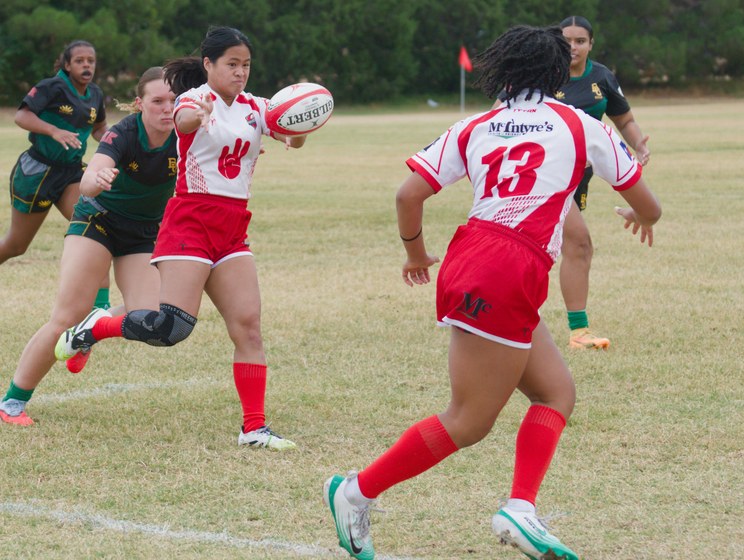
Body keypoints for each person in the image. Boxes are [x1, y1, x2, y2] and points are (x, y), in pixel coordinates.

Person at [323, 25, 661, 560]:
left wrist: (415, 253)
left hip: (477, 255)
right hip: (509, 266)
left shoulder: (474, 125)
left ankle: (522, 508)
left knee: (556, 393)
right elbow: (649, 204)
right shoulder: (578, 123)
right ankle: (356, 490)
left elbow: (407, 194)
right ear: (557, 74)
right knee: (469, 420)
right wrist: (640, 214)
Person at [55, 27, 307, 451]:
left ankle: (254, 428)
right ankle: (97, 326)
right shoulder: (192, 99)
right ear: (208, 65)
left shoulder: (256, 107)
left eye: (246, 65)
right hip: (189, 222)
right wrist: (200, 113)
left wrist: (302, 119)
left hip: (232, 229)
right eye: (231, 64)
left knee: (248, 327)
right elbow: (184, 120)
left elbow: (293, 139)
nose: (240, 73)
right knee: (169, 328)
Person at [0, 67, 177, 426]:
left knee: (154, 321)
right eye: (158, 101)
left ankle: (92, 329)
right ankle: (12, 402)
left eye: (173, 101)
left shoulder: (187, 136)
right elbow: (91, 177)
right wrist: (95, 178)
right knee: (66, 315)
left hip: (142, 233)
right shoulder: (123, 132)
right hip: (97, 221)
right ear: (139, 104)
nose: (167, 108)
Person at [556, 15, 651, 350]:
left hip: (579, 177)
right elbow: (501, 111)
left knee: (563, 246)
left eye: (580, 41)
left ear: (591, 44)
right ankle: (578, 332)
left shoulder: (602, 77)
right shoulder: (539, 73)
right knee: (577, 244)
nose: (572, 47)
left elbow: (624, 118)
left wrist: (638, 143)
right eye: (566, 40)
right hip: (545, 177)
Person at [1, 40, 112, 310]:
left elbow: (99, 129)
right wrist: (53, 130)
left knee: (98, 229)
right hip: (37, 172)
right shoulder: (53, 86)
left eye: (91, 61)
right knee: (16, 246)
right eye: (80, 61)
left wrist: (114, 139)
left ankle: (100, 310)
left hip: (72, 175)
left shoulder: (95, 94)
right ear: (66, 65)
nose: (87, 65)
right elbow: (21, 117)